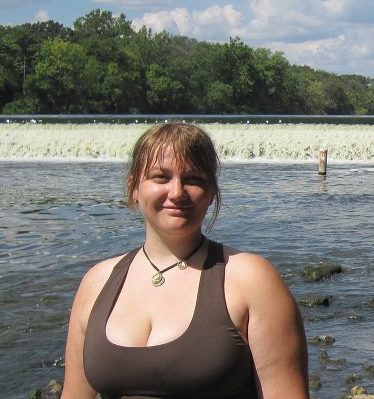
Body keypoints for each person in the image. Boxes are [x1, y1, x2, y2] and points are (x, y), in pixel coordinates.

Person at [60, 122, 310, 399]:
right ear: (134, 187)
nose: (177, 192)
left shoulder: (252, 279)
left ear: (212, 192)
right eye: (160, 177)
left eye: (193, 179)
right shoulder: (97, 282)